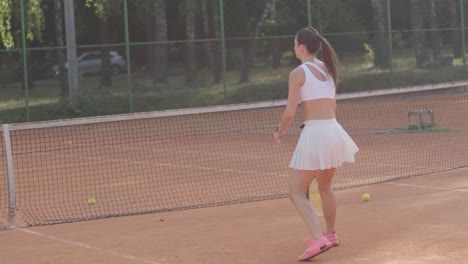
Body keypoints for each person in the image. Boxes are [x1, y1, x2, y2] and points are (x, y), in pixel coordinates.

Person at [273, 26, 359, 261]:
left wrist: (279, 131)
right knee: (324, 187)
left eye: (294, 43)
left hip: (316, 134)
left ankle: (317, 238)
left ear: (301, 47)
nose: (293, 48)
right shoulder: (328, 68)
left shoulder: (298, 73)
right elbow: (333, 107)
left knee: (296, 192)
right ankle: (330, 235)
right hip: (333, 130)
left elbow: (290, 113)